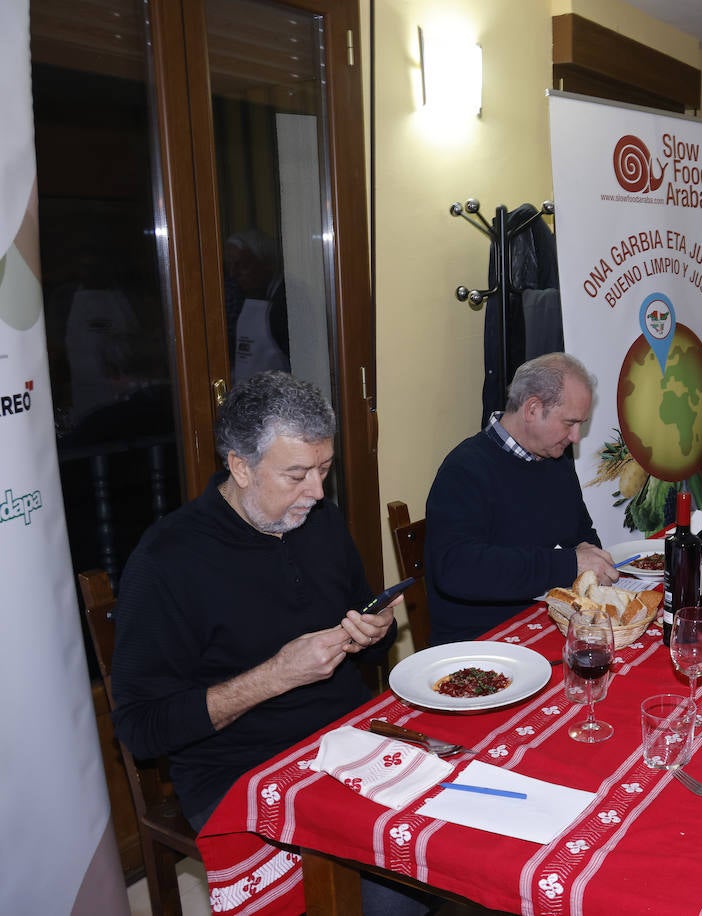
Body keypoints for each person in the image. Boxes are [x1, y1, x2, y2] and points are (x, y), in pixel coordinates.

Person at [111, 372, 431, 914]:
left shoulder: (319, 521)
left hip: (345, 739)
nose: (317, 492)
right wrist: (275, 676)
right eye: (297, 474)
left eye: (324, 470)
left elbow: (367, 642)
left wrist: (371, 633)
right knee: (393, 895)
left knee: (452, 843)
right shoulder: (168, 561)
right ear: (240, 466)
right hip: (239, 771)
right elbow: (142, 729)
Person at [426, 352, 617, 644]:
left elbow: (582, 534)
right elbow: (457, 568)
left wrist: (588, 554)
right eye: (570, 423)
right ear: (532, 409)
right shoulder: (465, 469)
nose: (576, 437)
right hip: (481, 641)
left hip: (547, 620)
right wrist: (569, 564)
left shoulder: (556, 461)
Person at [224, 229, 290, 380]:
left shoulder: (283, 302)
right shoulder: (240, 297)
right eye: (230, 266)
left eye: (242, 265)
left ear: (266, 263)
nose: (233, 273)